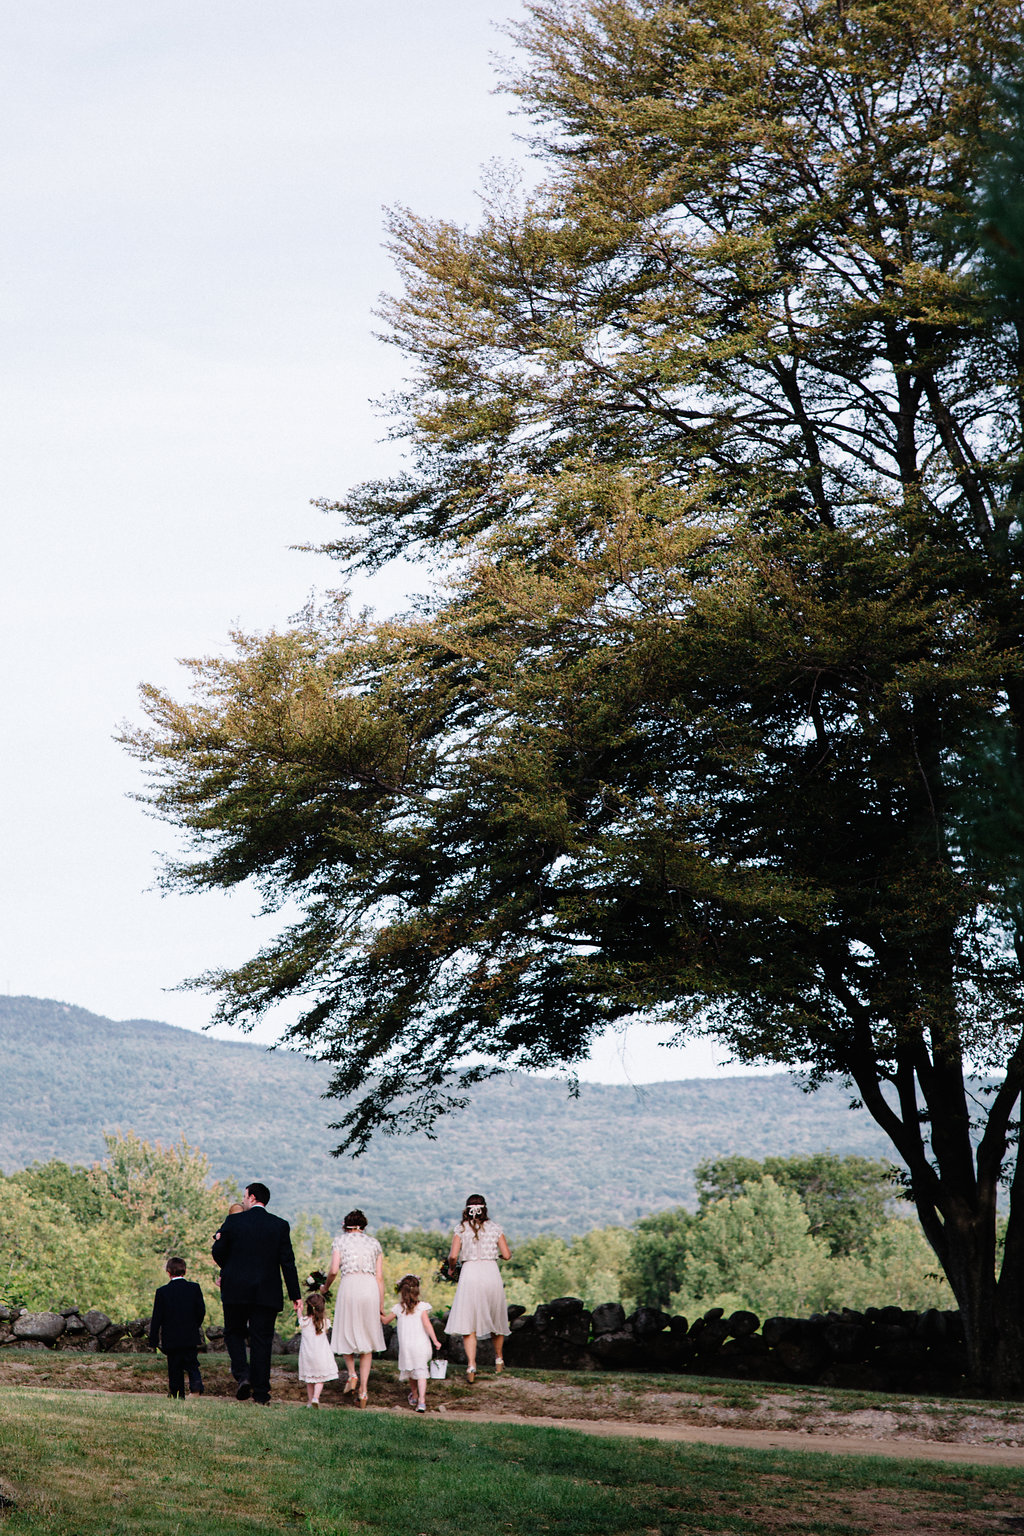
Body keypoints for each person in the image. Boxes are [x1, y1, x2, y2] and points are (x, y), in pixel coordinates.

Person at [211, 1181, 302, 1405]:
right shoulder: (280, 1225)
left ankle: (243, 1376)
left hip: (236, 1289)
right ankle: (261, 1394)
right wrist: (295, 1295)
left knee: (234, 1332)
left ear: (252, 1198)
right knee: (262, 1341)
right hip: (266, 1292)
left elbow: (218, 1253)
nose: (243, 1201)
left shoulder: (233, 1221)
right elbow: (287, 1262)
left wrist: (228, 1266)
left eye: (244, 1197)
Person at [320, 1209, 384, 1406]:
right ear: (363, 1226)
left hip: (349, 1285)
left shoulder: (340, 1241)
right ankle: (363, 1392)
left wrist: (325, 1287)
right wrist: (380, 1303)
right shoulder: (374, 1243)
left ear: (345, 1225)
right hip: (370, 1287)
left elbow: (333, 1270)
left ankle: (352, 1374)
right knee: (367, 1337)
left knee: (345, 1329)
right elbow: (380, 1277)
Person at [445, 1194, 510, 1382]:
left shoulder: (461, 1229)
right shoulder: (495, 1228)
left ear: (467, 1209)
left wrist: (451, 1269)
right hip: (491, 1272)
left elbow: (453, 1256)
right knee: (496, 1315)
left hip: (470, 1273)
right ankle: (498, 1359)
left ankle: (472, 1365)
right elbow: (506, 1254)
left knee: (469, 1321)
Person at [382, 1273, 441, 1412]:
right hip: (421, 1346)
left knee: (410, 1370)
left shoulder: (398, 1308)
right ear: (417, 1291)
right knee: (421, 1372)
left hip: (407, 1347)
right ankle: (421, 1401)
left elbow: (385, 1321)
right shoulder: (421, 1307)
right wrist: (435, 1340)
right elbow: (427, 1325)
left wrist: (377, 1312)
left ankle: (414, 1395)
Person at [149, 1256, 206, 1399]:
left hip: (171, 1336)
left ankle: (177, 1393)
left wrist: (153, 1340)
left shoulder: (162, 1292)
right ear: (185, 1271)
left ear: (168, 1272)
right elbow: (201, 1311)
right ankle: (196, 1385)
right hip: (189, 1334)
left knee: (174, 1367)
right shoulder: (194, 1288)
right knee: (192, 1363)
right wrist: (194, 1325)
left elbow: (157, 1318)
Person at [297, 1291, 339, 1407]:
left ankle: (310, 1402)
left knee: (310, 1380)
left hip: (307, 1356)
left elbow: (299, 1315)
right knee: (320, 1379)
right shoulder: (324, 1322)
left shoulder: (304, 1322)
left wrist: (298, 1309)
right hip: (321, 1356)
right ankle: (316, 1398)